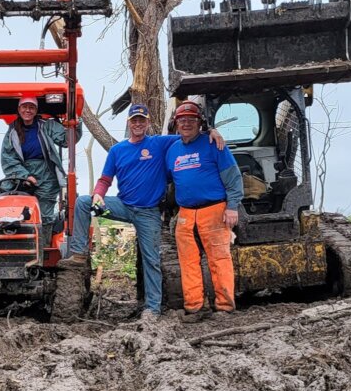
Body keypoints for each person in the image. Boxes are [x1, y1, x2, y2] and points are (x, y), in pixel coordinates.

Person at [65, 104, 224, 319]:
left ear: (148, 123)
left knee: (151, 259)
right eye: (134, 120)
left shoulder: (158, 143)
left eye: (142, 120)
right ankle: (79, 253)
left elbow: (189, 134)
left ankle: (152, 308)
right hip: (121, 207)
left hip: (148, 213)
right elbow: (105, 179)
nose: (138, 124)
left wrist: (210, 131)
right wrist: (98, 194)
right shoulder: (117, 150)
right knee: (84, 202)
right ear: (128, 123)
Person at [164, 100, 243, 322]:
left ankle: (225, 307)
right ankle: (195, 307)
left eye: (192, 120)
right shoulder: (172, 150)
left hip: (214, 209)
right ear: (176, 124)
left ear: (201, 124)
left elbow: (233, 177)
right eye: (182, 120)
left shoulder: (213, 144)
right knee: (187, 261)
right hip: (186, 213)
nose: (187, 123)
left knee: (219, 258)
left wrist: (232, 206)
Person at [0, 96, 80, 234]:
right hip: (22, 175)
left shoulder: (47, 125)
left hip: (47, 174)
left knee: (45, 214)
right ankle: (19, 246)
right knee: (19, 212)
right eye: (24, 107)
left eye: (31, 107)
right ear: (19, 109)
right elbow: (8, 159)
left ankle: (44, 248)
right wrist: (25, 176)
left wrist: (76, 125)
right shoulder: (12, 132)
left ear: (36, 110)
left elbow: (66, 141)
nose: (28, 110)